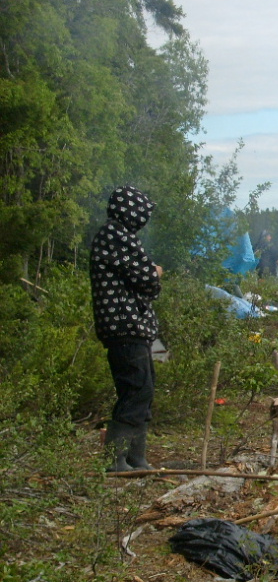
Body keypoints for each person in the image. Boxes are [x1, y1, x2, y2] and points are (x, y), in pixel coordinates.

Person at [90, 186, 163, 471]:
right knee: (135, 390)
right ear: (132, 211)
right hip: (124, 326)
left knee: (144, 389)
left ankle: (136, 457)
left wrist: (150, 273)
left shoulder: (119, 235)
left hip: (133, 327)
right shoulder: (114, 235)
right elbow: (147, 279)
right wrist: (155, 272)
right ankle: (116, 460)